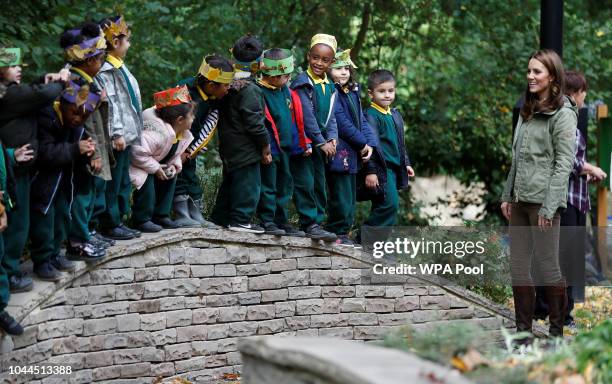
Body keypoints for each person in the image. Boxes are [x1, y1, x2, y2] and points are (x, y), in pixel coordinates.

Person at [501, 49, 578, 341]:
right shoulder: (528, 108)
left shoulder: (564, 113)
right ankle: (523, 333)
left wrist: (549, 207)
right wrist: (507, 195)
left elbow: (563, 164)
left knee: (548, 267)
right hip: (519, 201)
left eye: (537, 72)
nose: (531, 76)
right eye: (529, 71)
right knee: (519, 267)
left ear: (553, 77)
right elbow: (517, 157)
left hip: (544, 202)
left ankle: (557, 334)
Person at [533, 70, 606, 330]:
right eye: (583, 91)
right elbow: (569, 162)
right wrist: (591, 169)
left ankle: (546, 311)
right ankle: (562, 316)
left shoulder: (556, 117)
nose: (585, 97)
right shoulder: (565, 119)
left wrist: (585, 173)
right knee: (566, 259)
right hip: (567, 201)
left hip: (566, 197)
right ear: (575, 93)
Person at [0, 47, 70, 290]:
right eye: (12, 65)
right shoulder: (8, 96)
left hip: (18, 171)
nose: (18, 69)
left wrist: (41, 80)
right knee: (16, 226)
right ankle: (8, 275)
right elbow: (41, 95)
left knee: (19, 225)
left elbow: (32, 92)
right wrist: (61, 80)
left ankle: (10, 272)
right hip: (12, 173)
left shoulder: (11, 93)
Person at [30, 82, 104, 277]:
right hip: (44, 183)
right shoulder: (46, 117)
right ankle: (42, 260)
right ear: (63, 104)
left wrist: (89, 154)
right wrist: (74, 149)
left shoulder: (76, 125)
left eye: (85, 116)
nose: (78, 119)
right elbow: (44, 153)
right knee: (44, 222)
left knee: (62, 217)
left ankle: (54, 254)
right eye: (75, 113)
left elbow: (78, 147)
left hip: (64, 181)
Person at [60, 22, 112, 261]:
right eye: (100, 59)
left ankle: (86, 235)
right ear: (91, 61)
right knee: (80, 197)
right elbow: (80, 122)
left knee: (89, 194)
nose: (101, 64)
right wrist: (95, 153)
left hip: (91, 148)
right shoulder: (76, 83)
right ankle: (78, 241)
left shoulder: (86, 81)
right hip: (83, 150)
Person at [209, 35, 270, 233]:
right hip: (246, 148)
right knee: (248, 184)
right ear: (259, 63)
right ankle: (240, 219)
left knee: (231, 181)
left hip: (228, 144)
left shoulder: (226, 85)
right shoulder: (250, 90)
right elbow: (254, 123)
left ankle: (220, 217)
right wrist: (265, 145)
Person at [255, 48, 313, 237]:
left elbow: (294, 120)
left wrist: (301, 145)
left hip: (287, 149)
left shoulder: (285, 91)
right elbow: (261, 124)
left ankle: (282, 220)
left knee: (285, 187)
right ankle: (267, 220)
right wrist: (265, 149)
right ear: (272, 75)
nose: (288, 78)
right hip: (271, 150)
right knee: (269, 186)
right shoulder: (259, 92)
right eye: (285, 75)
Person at [289, 33, 339, 241]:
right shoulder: (303, 82)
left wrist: (333, 138)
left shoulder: (330, 86)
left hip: (322, 145)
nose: (319, 63)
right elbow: (307, 116)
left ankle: (318, 221)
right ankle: (309, 222)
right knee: (305, 182)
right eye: (315, 57)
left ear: (332, 62)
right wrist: (320, 141)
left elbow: (331, 116)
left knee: (319, 183)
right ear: (308, 56)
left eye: (325, 60)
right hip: (305, 143)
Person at [173, 55, 233, 229]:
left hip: (191, 147)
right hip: (175, 146)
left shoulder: (213, 95)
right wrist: (179, 151)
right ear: (211, 85)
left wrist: (192, 150)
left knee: (191, 175)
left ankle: (195, 214)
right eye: (226, 86)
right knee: (180, 176)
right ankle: (181, 214)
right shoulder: (183, 92)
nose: (228, 89)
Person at [97, 15, 143, 241]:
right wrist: (116, 133)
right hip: (118, 137)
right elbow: (111, 105)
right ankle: (110, 222)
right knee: (113, 183)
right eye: (127, 40)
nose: (129, 44)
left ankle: (119, 220)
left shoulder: (120, 67)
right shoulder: (105, 71)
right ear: (115, 43)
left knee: (123, 181)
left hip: (128, 134)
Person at [326, 48, 376, 246]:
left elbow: (361, 120)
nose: (344, 72)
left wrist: (369, 143)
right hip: (340, 150)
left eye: (346, 68)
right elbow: (341, 122)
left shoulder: (353, 91)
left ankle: (344, 232)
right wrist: (361, 142)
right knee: (340, 194)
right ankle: (335, 231)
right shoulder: (332, 91)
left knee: (350, 194)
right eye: (338, 68)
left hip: (354, 151)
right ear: (329, 69)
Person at [130, 85, 195, 232]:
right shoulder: (157, 133)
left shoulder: (182, 133)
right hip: (139, 166)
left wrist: (174, 165)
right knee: (147, 182)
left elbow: (175, 153)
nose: (194, 118)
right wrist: (155, 168)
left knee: (171, 175)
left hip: (156, 163)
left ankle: (161, 215)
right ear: (179, 120)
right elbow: (136, 152)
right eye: (191, 115)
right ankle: (142, 219)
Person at [363, 70, 414, 227]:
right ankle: (367, 241)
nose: (387, 95)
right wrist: (370, 171)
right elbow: (369, 145)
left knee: (389, 206)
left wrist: (406, 163)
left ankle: (375, 244)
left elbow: (400, 142)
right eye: (381, 91)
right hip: (380, 169)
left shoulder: (394, 115)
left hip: (394, 168)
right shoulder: (370, 115)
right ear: (371, 94)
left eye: (390, 91)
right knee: (387, 205)